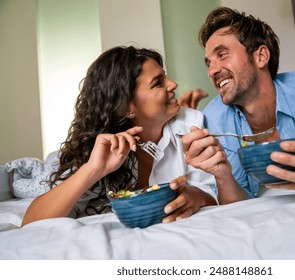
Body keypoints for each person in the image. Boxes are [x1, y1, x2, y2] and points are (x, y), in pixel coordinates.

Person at [181, 6, 295, 204]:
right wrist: (222, 175)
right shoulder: (215, 118)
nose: (211, 71)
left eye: (222, 55)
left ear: (260, 56)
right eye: (208, 63)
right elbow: (238, 204)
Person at [21, 46, 218, 226]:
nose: (173, 84)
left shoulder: (193, 125)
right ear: (125, 107)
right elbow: (30, 223)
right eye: (158, 83)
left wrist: (196, 195)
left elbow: (212, 194)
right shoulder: (98, 148)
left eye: (165, 76)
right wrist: (93, 169)